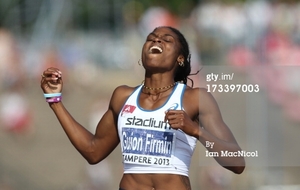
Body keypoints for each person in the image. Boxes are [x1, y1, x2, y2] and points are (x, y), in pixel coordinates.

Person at [40, 26, 245, 190]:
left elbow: (237, 163)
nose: (156, 40)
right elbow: (93, 151)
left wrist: (194, 130)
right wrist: (55, 101)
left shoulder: (195, 99)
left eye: (167, 40)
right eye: (151, 38)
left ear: (180, 58)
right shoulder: (123, 96)